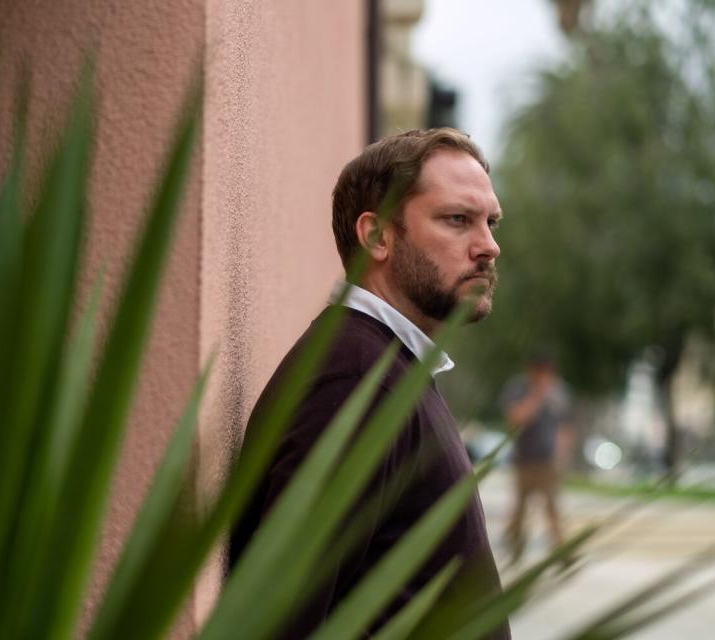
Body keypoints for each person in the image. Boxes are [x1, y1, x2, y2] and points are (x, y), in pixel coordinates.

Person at [229, 128, 510, 638]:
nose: (488, 246)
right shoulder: (353, 382)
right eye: (457, 220)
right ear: (377, 236)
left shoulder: (385, 370)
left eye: (491, 222)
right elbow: (286, 618)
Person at [500, 353, 573, 563]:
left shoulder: (560, 392)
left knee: (553, 508)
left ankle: (561, 552)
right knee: (520, 509)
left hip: (548, 461)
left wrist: (562, 454)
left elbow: (564, 426)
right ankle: (516, 547)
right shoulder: (517, 388)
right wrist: (537, 396)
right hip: (524, 459)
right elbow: (516, 418)